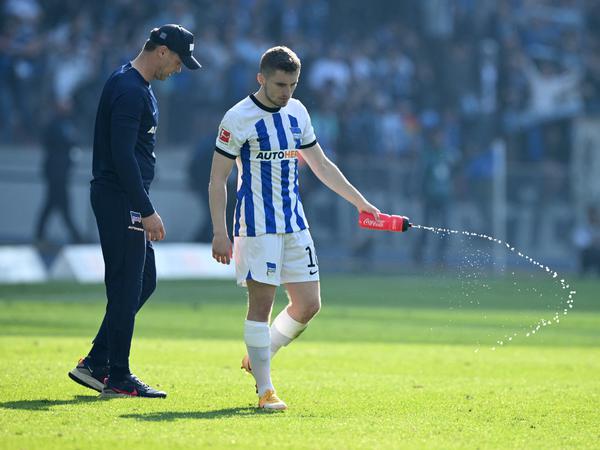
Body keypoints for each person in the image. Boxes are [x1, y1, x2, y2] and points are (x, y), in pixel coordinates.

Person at [209, 46, 380, 410]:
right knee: (262, 306)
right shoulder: (238, 118)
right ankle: (264, 390)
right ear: (261, 78)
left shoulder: (297, 112)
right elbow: (217, 179)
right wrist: (220, 232)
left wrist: (359, 202)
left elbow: (320, 164)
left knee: (308, 305)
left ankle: (258, 355)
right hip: (257, 226)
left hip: (294, 222)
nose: (287, 92)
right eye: (280, 84)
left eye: (293, 85)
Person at [68, 24, 201, 398]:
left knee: (144, 279)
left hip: (123, 197)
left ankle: (96, 362)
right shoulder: (129, 90)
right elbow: (123, 155)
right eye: (177, 60)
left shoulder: (134, 85)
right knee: (127, 286)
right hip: (121, 198)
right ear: (161, 51)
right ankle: (119, 376)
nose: (178, 68)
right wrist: (146, 209)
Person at [35, 98, 83, 245]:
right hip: (55, 171)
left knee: (53, 204)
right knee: (61, 204)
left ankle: (40, 234)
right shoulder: (54, 124)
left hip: (63, 171)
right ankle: (75, 236)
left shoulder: (68, 123)